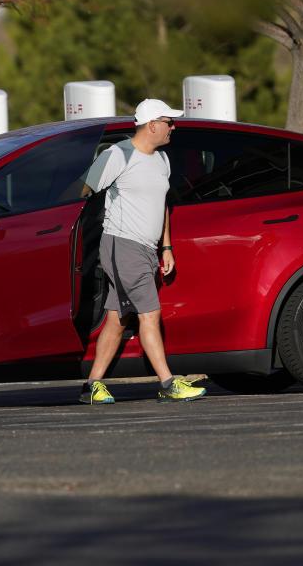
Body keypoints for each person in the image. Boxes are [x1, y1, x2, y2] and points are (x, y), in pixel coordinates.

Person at [79, 99, 207, 404]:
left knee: (117, 318)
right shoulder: (118, 154)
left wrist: (166, 246)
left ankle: (92, 386)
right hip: (121, 246)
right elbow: (84, 192)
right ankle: (168, 383)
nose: (173, 128)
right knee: (151, 315)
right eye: (169, 122)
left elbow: (162, 204)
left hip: (147, 249)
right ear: (152, 125)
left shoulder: (162, 160)